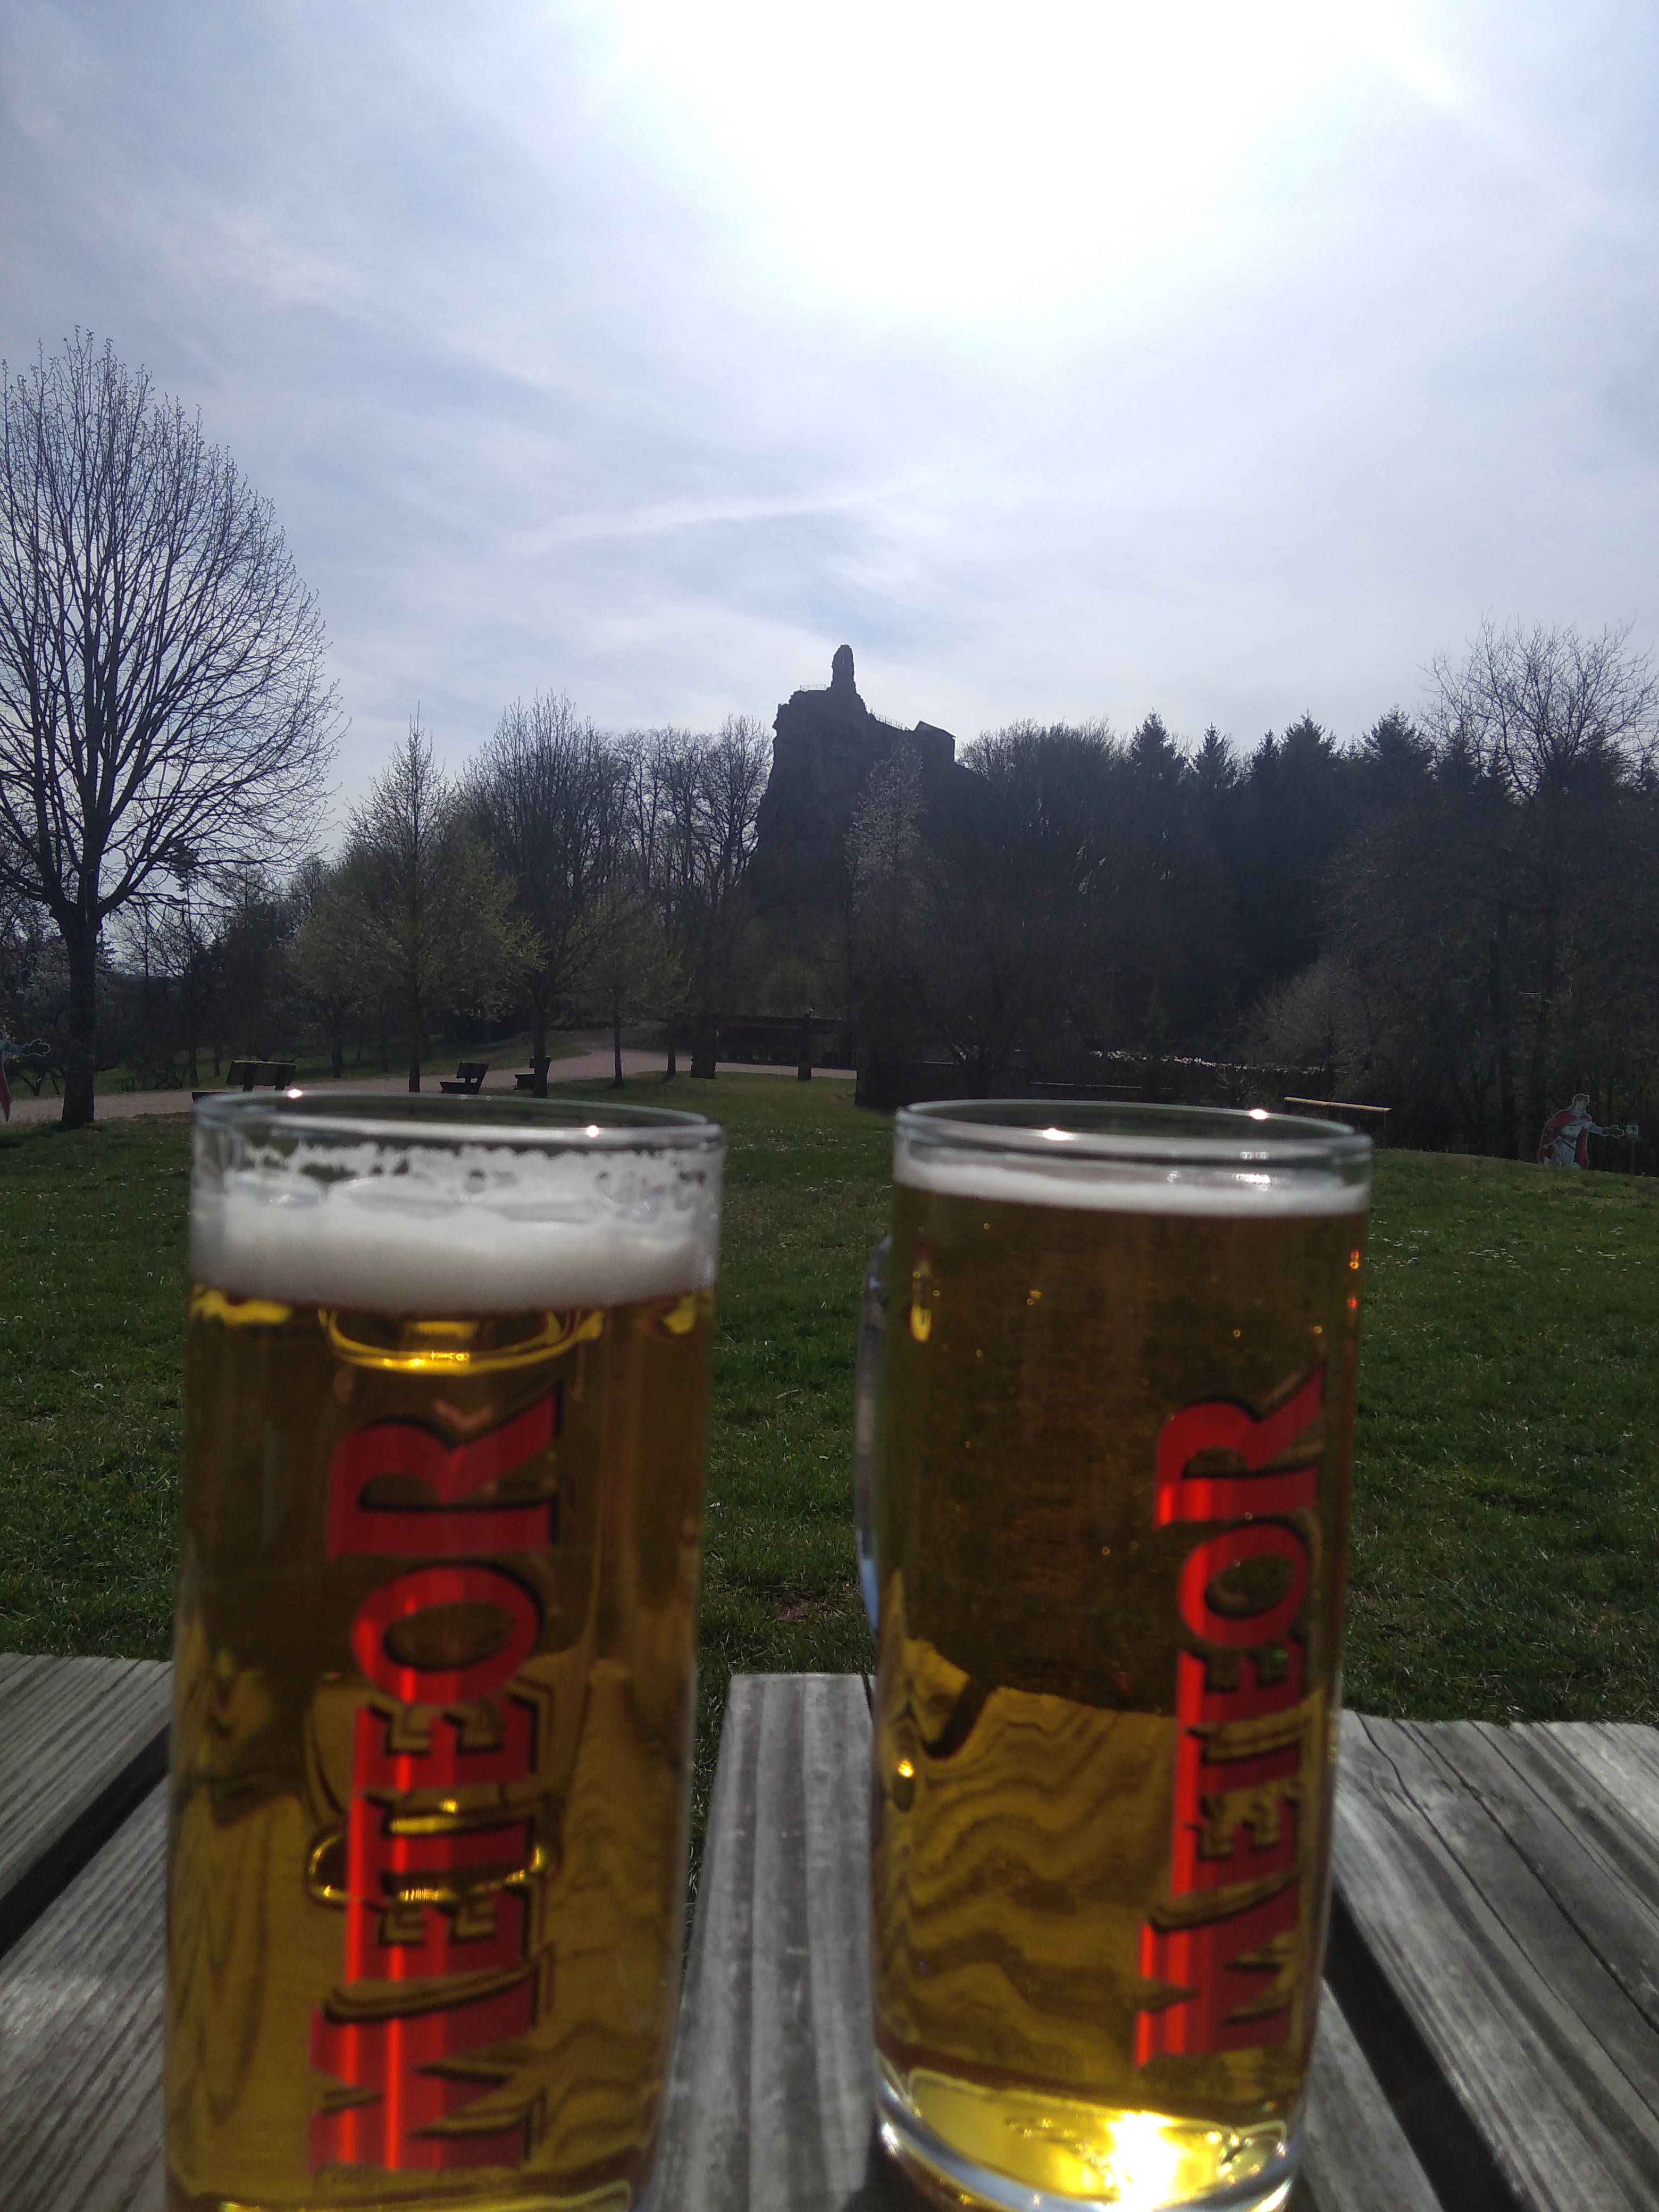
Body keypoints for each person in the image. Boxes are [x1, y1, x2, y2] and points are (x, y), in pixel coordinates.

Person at [1537, 1092, 1615, 1168]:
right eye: (1580, 1102)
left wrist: (1608, 1131)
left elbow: (1593, 1128)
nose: (1581, 1105)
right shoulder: (1564, 1115)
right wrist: (1551, 1133)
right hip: (1561, 1144)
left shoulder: (1585, 1119)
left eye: (1584, 1104)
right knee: (1557, 1164)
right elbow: (1551, 1125)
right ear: (1575, 1102)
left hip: (1572, 1146)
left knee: (1568, 1166)